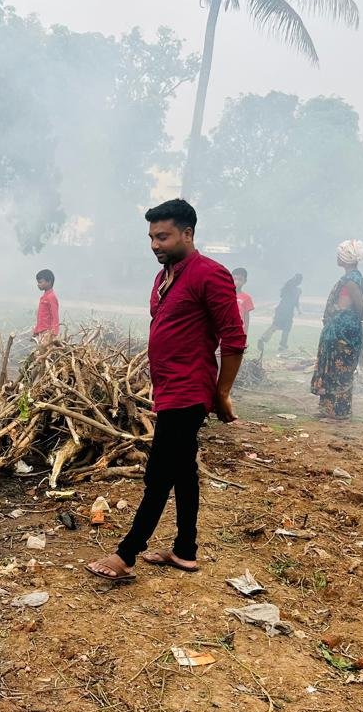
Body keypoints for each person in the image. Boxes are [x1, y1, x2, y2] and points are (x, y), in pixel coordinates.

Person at [86, 199, 246, 585]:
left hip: (190, 391)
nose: (155, 245)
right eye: (151, 237)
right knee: (183, 469)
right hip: (169, 389)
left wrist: (222, 393)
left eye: (163, 236)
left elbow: (234, 339)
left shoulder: (210, 274)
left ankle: (127, 554)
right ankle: (185, 550)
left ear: (187, 234)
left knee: (159, 473)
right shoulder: (164, 277)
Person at [311, 240, 363, 420]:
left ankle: (339, 413)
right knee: (335, 371)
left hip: (344, 334)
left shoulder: (351, 281)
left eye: (340, 254)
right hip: (339, 332)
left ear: (346, 258)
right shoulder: (351, 278)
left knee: (340, 373)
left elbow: (361, 309)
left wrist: (342, 317)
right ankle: (330, 410)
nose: (337, 257)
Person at [257, 274, 304, 356]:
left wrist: (299, 310)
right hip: (286, 311)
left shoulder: (289, 288)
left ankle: (265, 339)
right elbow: (295, 301)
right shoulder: (294, 289)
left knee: (278, 326)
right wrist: (298, 310)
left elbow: (294, 301)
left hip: (283, 310)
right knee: (285, 328)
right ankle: (281, 344)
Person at [33, 269, 60, 344]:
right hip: (41, 332)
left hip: (48, 332)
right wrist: (36, 330)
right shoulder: (44, 297)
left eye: (40, 282)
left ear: (49, 282)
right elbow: (41, 317)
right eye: (38, 282)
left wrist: (54, 333)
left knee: (44, 349)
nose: (38, 284)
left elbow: (55, 316)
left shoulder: (51, 297)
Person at [232, 267, 254, 341]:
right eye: (234, 279)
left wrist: (245, 334)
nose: (236, 282)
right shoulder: (224, 294)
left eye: (240, 279)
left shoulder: (246, 298)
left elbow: (246, 318)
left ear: (245, 281)